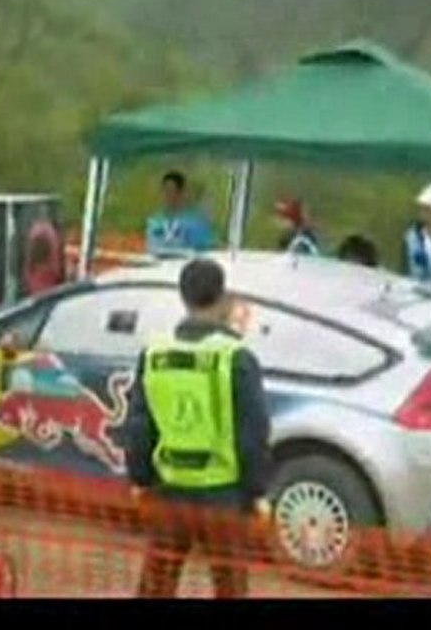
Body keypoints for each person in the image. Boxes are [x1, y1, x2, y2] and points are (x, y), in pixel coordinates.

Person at [124, 258, 272, 598]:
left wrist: (141, 479)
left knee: (156, 585)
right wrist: (256, 492)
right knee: (230, 586)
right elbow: (252, 432)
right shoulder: (235, 357)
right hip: (222, 495)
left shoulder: (155, 353)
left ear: (182, 296)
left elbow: (139, 424)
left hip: (169, 489)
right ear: (222, 299)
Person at [145, 171, 216, 257]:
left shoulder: (195, 220)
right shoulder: (155, 220)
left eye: (170, 190)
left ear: (181, 192)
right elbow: (151, 249)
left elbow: (204, 250)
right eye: (164, 190)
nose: (166, 195)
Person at [23, 208, 65, 296]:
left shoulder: (36, 231)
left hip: (36, 279)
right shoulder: (51, 234)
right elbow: (56, 268)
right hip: (48, 282)